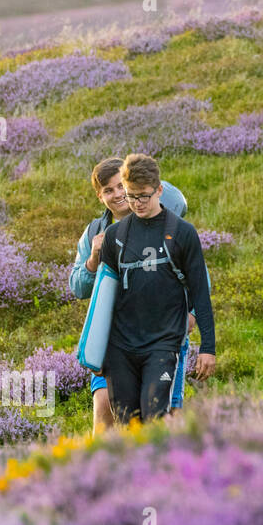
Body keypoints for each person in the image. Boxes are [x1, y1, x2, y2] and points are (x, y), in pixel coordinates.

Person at [70, 157, 194, 434]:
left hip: (161, 334)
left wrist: (192, 314)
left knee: (164, 413)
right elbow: (77, 287)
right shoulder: (94, 233)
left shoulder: (166, 224)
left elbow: (196, 275)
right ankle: (103, 474)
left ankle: (174, 471)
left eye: (119, 187)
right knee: (104, 405)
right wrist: (93, 259)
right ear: (100, 196)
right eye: (108, 191)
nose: (116, 195)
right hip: (116, 338)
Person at [98, 154, 216, 423]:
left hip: (163, 345)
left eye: (144, 196)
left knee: (153, 417)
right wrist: (96, 352)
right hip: (120, 349)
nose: (137, 204)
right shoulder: (115, 237)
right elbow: (103, 300)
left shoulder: (183, 233)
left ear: (159, 190)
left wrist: (208, 347)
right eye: (131, 196)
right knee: (128, 423)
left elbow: (200, 293)